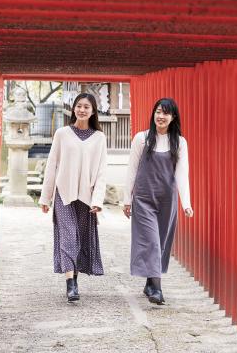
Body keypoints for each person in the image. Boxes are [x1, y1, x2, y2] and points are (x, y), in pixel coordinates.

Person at [123, 97, 193, 305]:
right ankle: (157, 289)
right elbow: (132, 170)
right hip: (144, 199)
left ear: (173, 118)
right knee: (152, 242)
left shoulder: (179, 142)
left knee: (161, 243)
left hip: (166, 201)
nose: (160, 116)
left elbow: (182, 173)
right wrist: (127, 199)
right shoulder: (141, 139)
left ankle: (149, 283)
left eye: (165, 113)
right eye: (158, 112)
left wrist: (186, 203)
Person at [40, 93, 107, 302]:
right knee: (68, 236)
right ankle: (71, 283)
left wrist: (97, 200)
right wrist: (45, 197)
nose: (82, 110)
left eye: (87, 107)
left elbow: (101, 171)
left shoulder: (99, 137)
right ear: (74, 109)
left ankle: (75, 276)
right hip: (64, 192)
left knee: (79, 238)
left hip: (86, 197)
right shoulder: (62, 133)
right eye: (79, 106)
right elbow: (52, 165)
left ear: (93, 111)